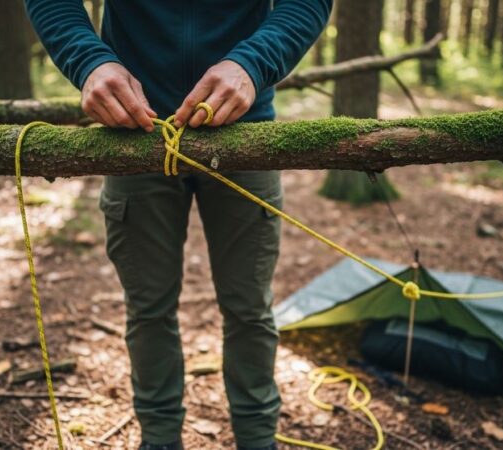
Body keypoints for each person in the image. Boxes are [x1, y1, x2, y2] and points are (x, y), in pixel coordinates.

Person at [25, 1, 331, 449]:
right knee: (148, 310)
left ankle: (258, 440)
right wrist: (90, 61)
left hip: (247, 136)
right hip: (136, 133)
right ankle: (160, 440)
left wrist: (251, 63)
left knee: (249, 309)